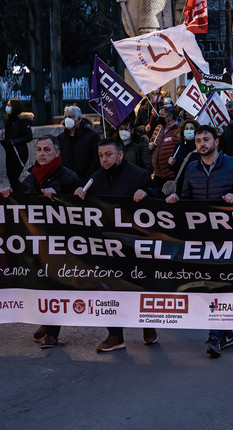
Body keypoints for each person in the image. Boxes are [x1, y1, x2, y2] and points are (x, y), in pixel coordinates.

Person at [165, 125, 233, 358]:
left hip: (227, 238)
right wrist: (177, 199)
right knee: (209, 284)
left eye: (206, 139)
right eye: (197, 141)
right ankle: (224, 333)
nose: (201, 144)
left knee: (219, 283)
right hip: (201, 239)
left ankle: (215, 335)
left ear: (216, 141)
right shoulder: (192, 168)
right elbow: (187, 199)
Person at [72, 139, 155, 353]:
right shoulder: (95, 178)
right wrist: (79, 193)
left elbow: (158, 198)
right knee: (109, 289)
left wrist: (146, 194)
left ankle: (148, 323)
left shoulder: (138, 175)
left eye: (108, 155)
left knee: (140, 285)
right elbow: (82, 202)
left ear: (120, 155)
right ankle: (115, 334)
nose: (104, 159)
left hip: (135, 244)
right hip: (107, 246)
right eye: (100, 155)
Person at [0, 135, 80, 349]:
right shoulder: (32, 176)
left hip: (60, 241)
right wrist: (9, 194)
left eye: (47, 150)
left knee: (54, 283)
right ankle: (46, 320)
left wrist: (59, 197)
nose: (42, 154)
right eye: (39, 150)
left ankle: (52, 330)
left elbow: (79, 208)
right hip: (35, 239)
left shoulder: (70, 177)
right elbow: (22, 197)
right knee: (38, 282)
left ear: (57, 153)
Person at [58, 105, 100, 183]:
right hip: (65, 182)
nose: (67, 119)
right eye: (65, 117)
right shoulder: (61, 138)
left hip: (84, 182)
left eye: (70, 116)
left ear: (79, 119)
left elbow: (95, 162)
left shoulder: (92, 137)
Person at [0, 99, 34, 193]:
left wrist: (13, 142)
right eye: (7, 105)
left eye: (10, 105)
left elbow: (28, 136)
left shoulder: (22, 120)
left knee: (15, 177)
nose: (7, 107)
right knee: (11, 176)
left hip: (19, 152)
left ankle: (25, 192)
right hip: (10, 152)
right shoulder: (9, 119)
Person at [148, 107, 182, 196]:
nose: (159, 117)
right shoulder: (158, 128)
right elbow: (151, 141)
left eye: (162, 115)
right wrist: (150, 145)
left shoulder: (178, 131)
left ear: (170, 117)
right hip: (157, 175)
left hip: (170, 176)